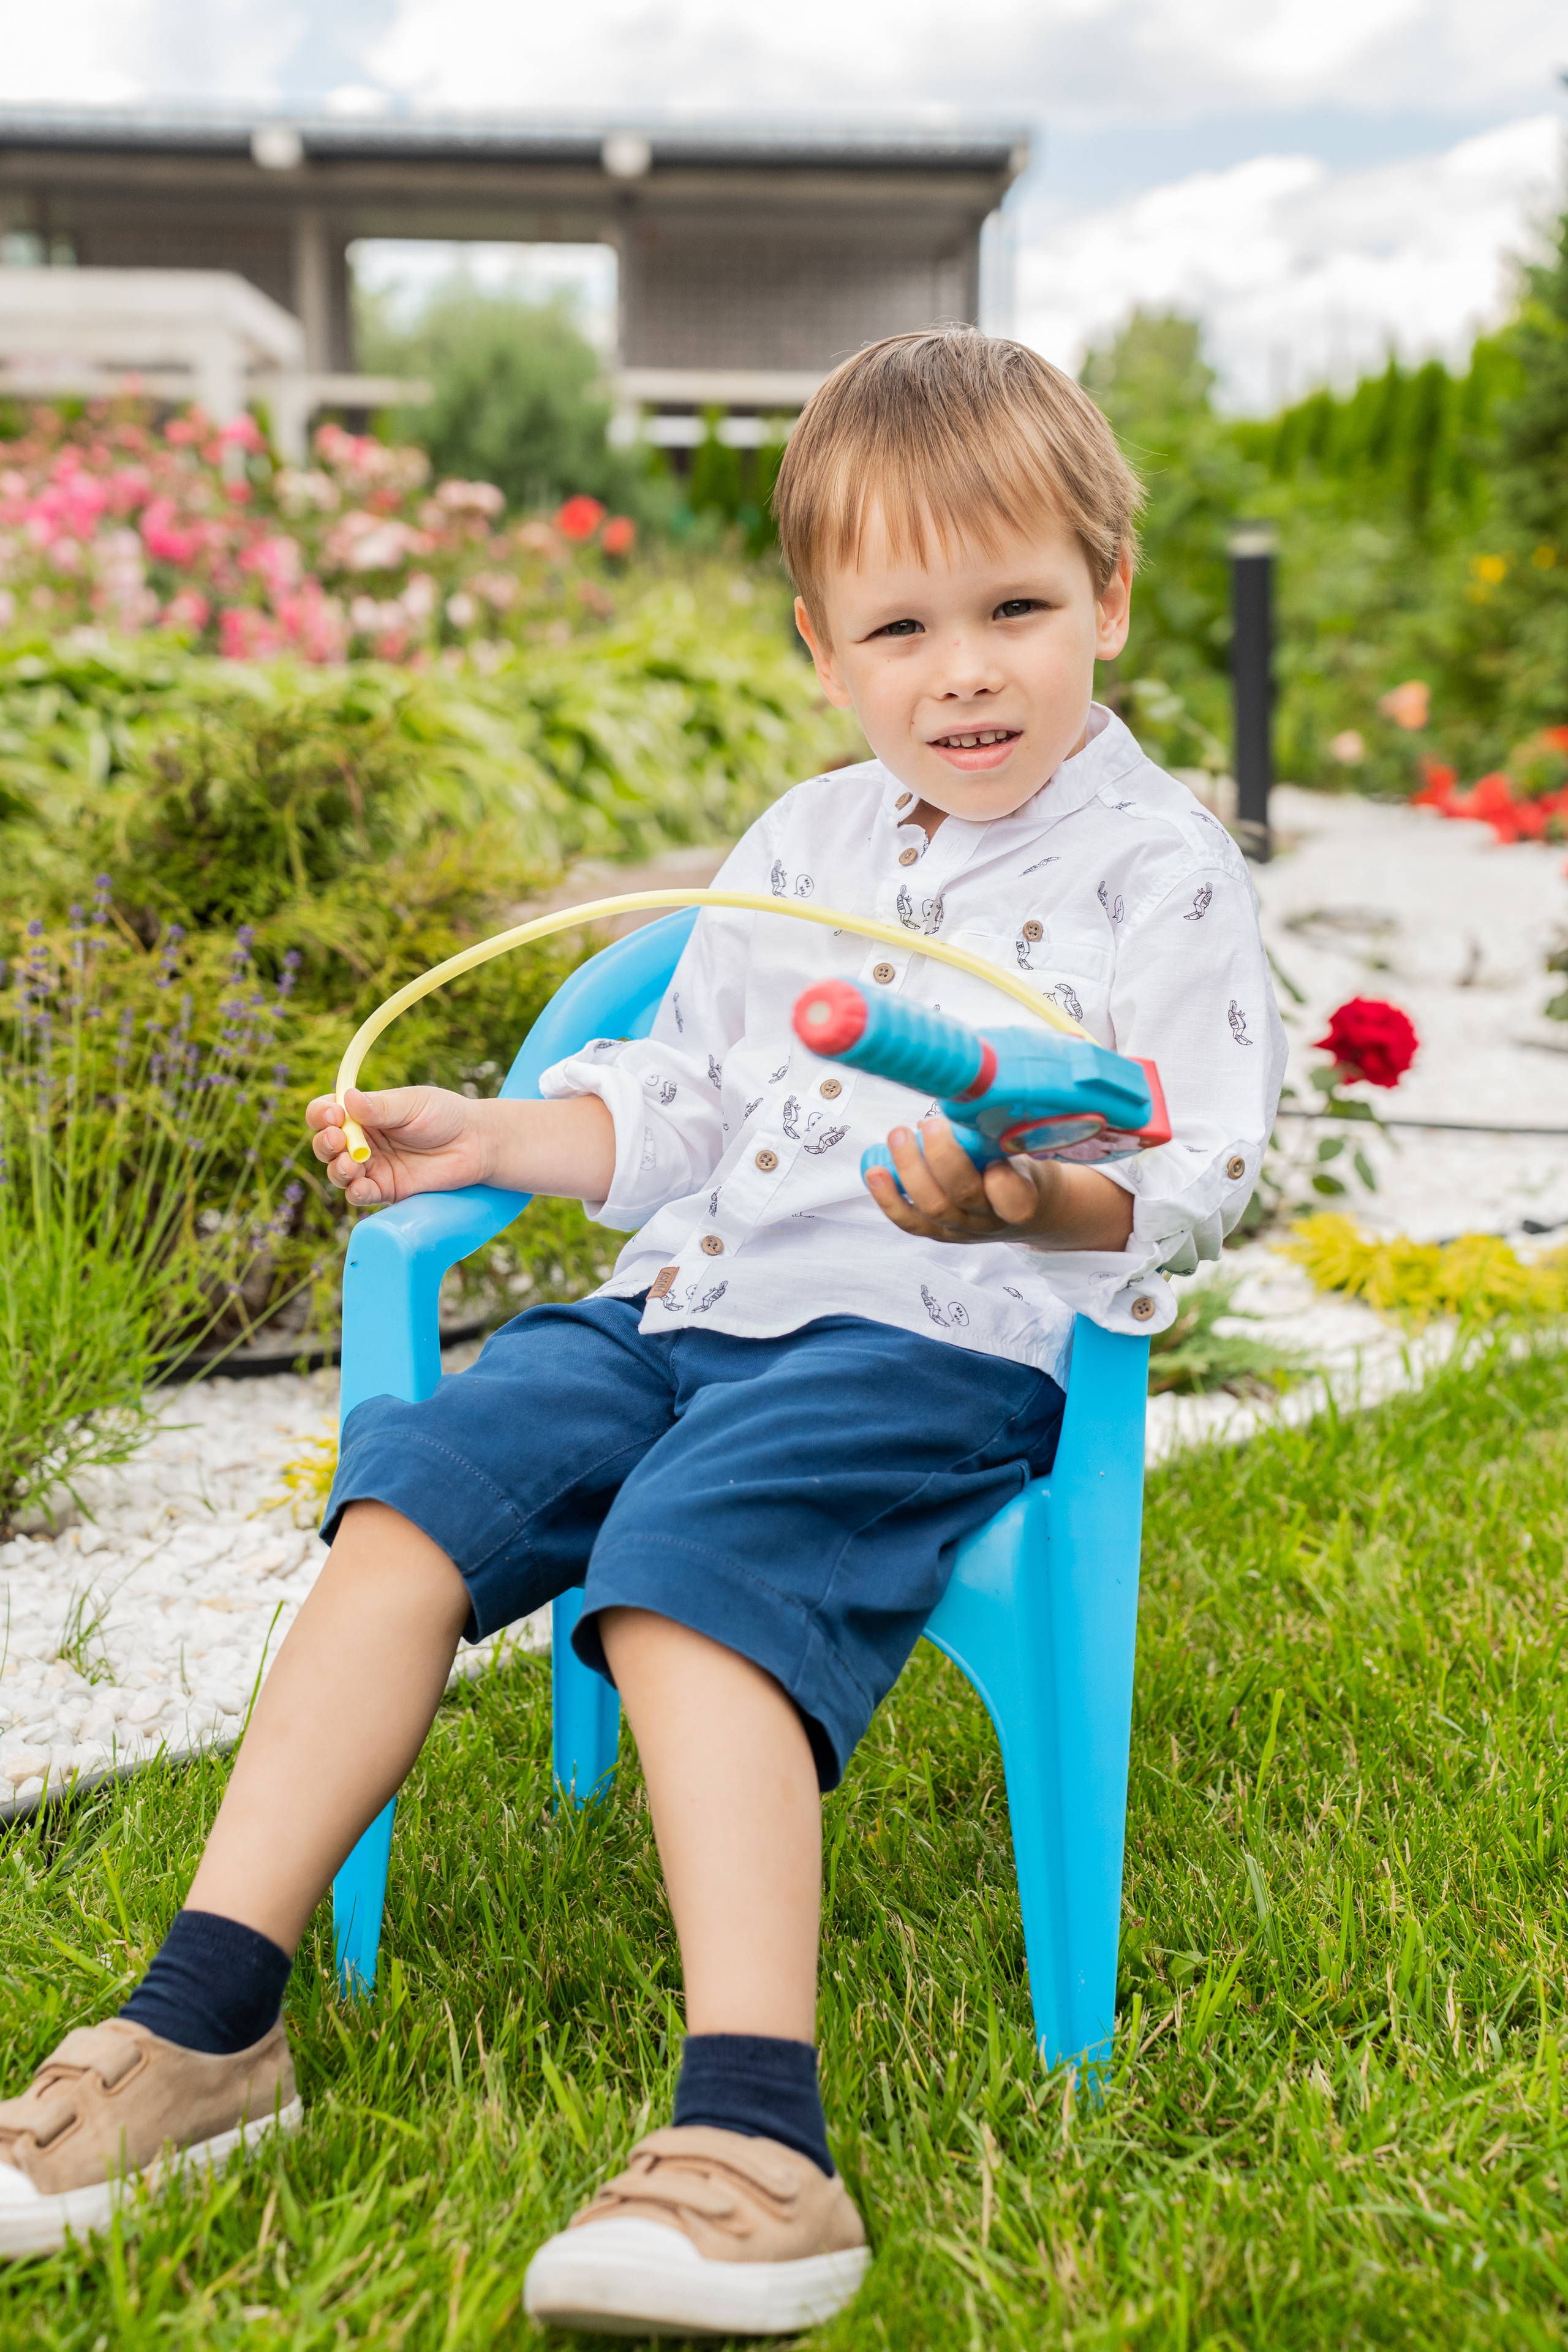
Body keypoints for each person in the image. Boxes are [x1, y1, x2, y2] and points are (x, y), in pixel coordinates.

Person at [0, 328, 1284, 2329]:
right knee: (410, 1497)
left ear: (1108, 594)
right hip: (683, 1307)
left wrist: (1024, 1196)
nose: (962, 669)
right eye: (899, 625)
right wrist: (491, 1130)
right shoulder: (806, 843)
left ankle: (761, 2143)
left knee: (691, 1564)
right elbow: (679, 1103)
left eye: (1018, 608)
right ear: (821, 645)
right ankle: (204, 2027)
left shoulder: (1159, 874)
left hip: (921, 1346)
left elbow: (1199, 1165)